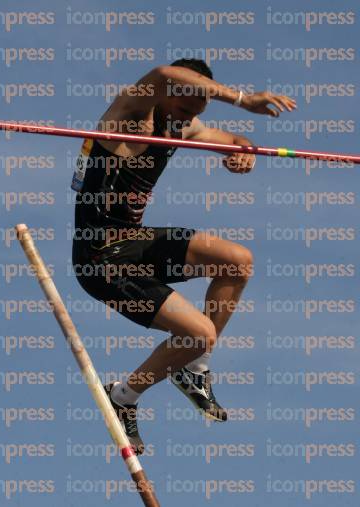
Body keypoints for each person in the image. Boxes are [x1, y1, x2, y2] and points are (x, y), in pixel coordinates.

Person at [71, 59, 296, 454]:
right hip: (99, 257)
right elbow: (162, 74)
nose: (189, 117)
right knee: (197, 332)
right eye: (184, 106)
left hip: (134, 243)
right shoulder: (131, 110)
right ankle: (123, 396)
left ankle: (194, 368)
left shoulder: (182, 123)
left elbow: (230, 138)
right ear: (169, 95)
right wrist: (243, 99)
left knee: (237, 260)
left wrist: (246, 151)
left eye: (197, 110)